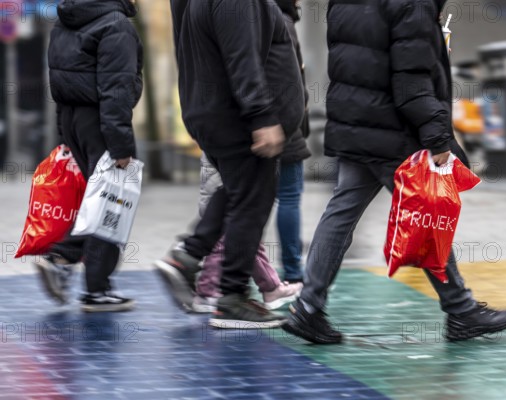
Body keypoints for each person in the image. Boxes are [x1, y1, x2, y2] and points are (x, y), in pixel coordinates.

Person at [283, 0, 506, 344]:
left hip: (355, 122)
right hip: (391, 132)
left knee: (341, 212)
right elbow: (411, 83)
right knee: (426, 214)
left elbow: (364, 61)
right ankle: (460, 310)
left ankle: (308, 308)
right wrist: (438, 139)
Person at [157, 0, 305, 328]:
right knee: (252, 202)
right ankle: (232, 298)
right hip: (237, 118)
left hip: (218, 112)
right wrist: (262, 116)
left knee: (240, 194)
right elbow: (243, 58)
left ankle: (189, 256)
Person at [35, 0, 142, 312]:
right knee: (114, 201)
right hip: (101, 122)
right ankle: (96, 288)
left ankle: (63, 258)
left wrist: (62, 133)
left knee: (98, 199)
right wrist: (121, 144)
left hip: (73, 120)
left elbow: (60, 80)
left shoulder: (66, 20)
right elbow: (116, 89)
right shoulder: (115, 25)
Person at [191, 153, 303, 313]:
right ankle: (209, 288)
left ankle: (268, 286)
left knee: (241, 224)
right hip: (233, 152)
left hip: (221, 150)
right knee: (239, 223)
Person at [273, 0, 311, 284]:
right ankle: (293, 271)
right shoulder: (283, 22)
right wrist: (296, 123)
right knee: (288, 197)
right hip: (284, 126)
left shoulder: (255, 18)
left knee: (252, 200)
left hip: (261, 123)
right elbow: (293, 81)